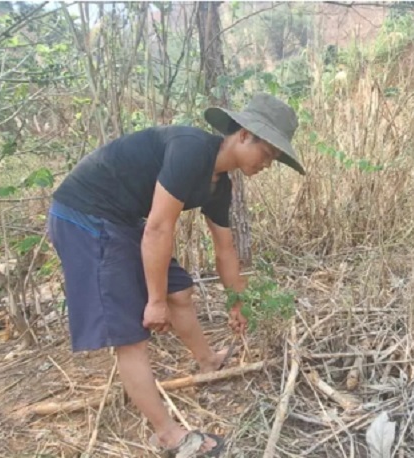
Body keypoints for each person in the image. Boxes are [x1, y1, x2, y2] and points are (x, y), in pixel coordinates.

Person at [46, 93, 305, 457]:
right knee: (130, 335)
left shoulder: (220, 184)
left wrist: (237, 302)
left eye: (275, 158)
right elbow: (157, 228)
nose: (268, 163)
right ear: (245, 135)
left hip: (123, 220)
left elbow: (225, 249)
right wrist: (155, 301)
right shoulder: (191, 149)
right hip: (85, 216)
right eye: (268, 153)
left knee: (180, 292)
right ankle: (169, 435)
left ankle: (207, 360)